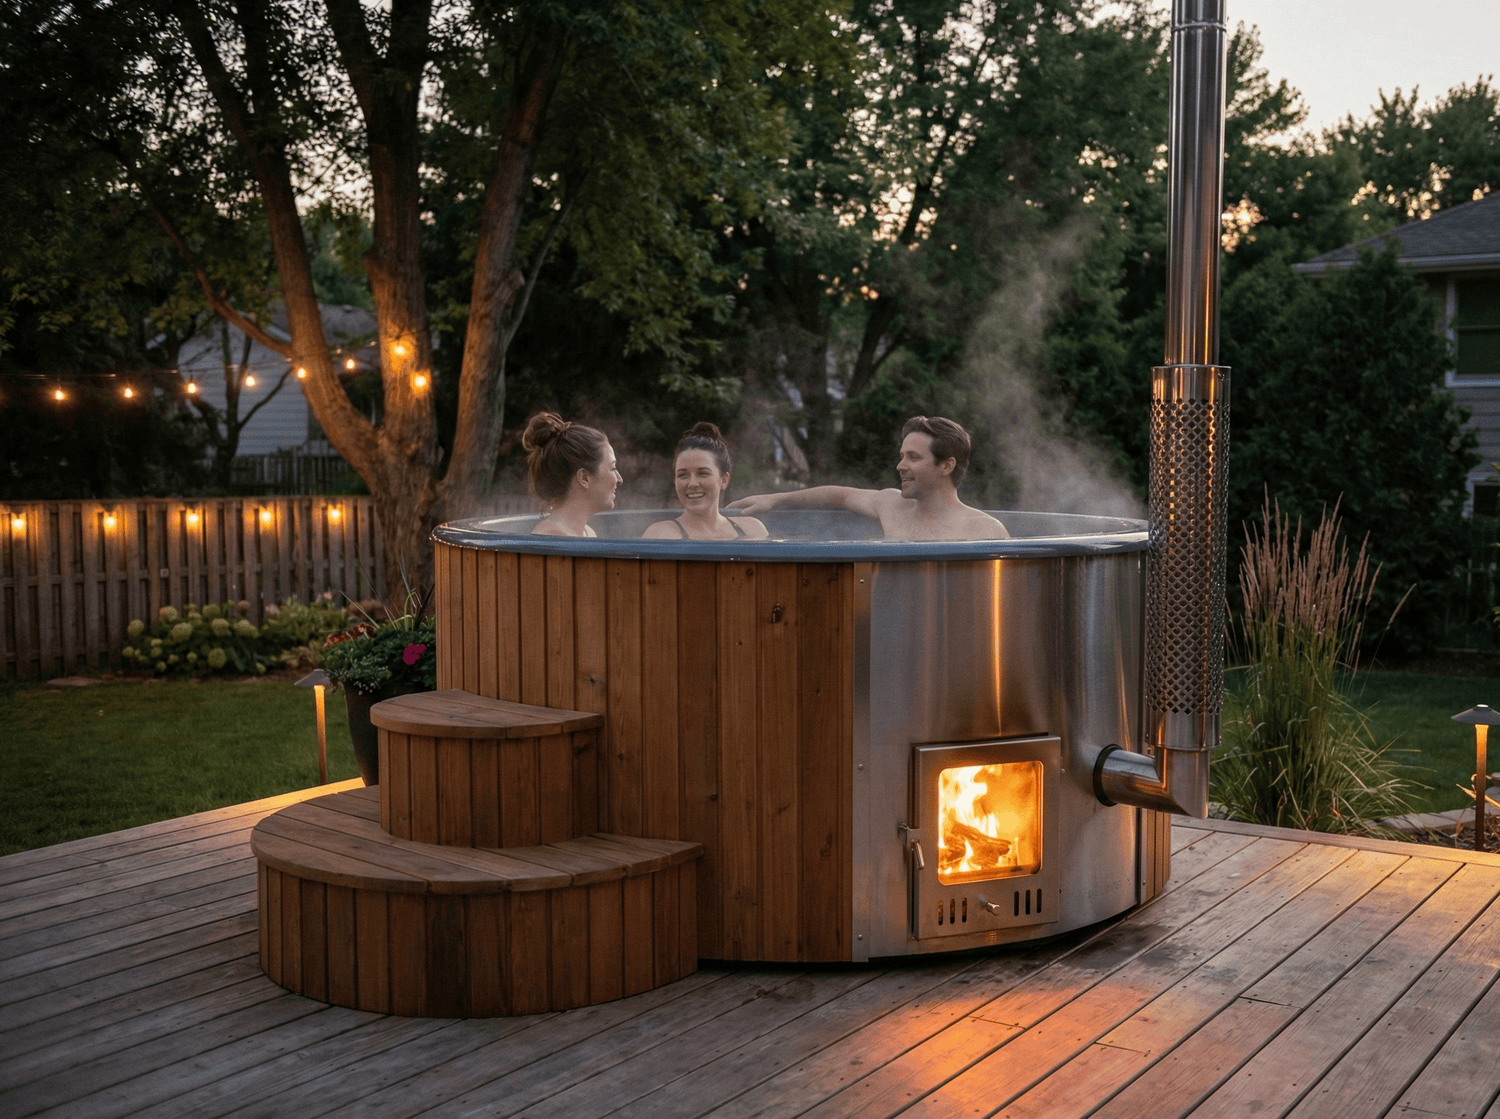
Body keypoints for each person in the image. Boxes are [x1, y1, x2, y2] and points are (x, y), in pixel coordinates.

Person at [727, 416, 1008, 540]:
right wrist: (774, 500)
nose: (900, 465)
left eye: (913, 457)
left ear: (946, 466)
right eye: (901, 455)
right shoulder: (892, 505)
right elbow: (841, 495)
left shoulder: (984, 531)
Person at [642, 422, 770, 541]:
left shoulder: (752, 530)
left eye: (703, 473)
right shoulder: (661, 534)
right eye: (683, 475)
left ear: (724, 480)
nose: (692, 484)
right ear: (675, 481)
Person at [521, 412, 622, 537]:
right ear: (584, 478)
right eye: (613, 468)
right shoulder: (554, 538)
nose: (619, 479)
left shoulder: (587, 533)